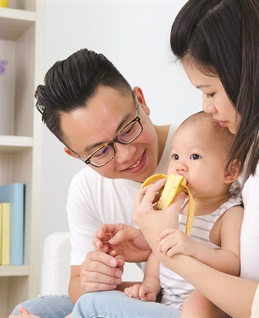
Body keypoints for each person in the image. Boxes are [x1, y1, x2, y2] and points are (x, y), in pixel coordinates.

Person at [71, 0, 259, 317]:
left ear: (246, 77)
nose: (206, 107)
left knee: (91, 307)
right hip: (202, 299)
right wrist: (152, 246)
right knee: (47, 307)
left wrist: (165, 246)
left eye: (210, 92)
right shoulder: (258, 153)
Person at [10, 48, 179, 317]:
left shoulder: (199, 151)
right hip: (155, 298)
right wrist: (96, 279)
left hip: (198, 303)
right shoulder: (87, 189)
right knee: (32, 310)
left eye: (127, 129)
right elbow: (78, 287)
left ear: (141, 100)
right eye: (99, 152)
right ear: (76, 155)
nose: (126, 154)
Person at [122, 111, 243, 317]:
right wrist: (150, 284)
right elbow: (157, 251)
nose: (179, 166)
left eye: (194, 156)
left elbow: (233, 264)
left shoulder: (229, 213)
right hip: (167, 302)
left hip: (204, 305)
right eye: (175, 156)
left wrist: (193, 249)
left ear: (230, 171)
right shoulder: (174, 205)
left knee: (198, 301)